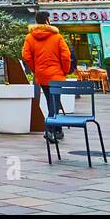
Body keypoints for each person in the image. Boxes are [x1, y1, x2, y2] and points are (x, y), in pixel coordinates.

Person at [22, 12, 72, 141]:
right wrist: (64, 71)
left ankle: (58, 129)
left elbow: (26, 56)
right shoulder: (57, 37)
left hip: (42, 74)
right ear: (47, 20)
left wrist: (36, 69)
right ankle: (50, 129)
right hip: (56, 74)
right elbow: (66, 56)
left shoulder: (30, 37)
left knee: (51, 100)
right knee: (54, 102)